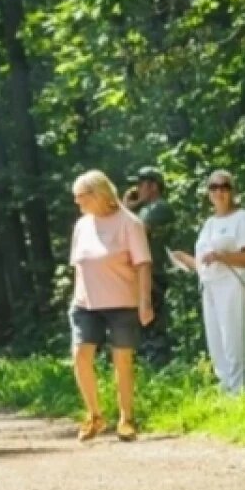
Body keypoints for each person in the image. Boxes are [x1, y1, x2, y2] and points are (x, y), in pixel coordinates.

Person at [68, 169, 155, 442]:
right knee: (80, 356)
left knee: (122, 359)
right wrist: (76, 298)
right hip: (86, 303)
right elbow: (78, 266)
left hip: (122, 302)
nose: (77, 202)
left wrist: (145, 302)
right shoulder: (82, 226)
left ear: (98, 194)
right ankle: (94, 415)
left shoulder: (129, 223)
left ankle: (126, 418)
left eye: (80, 196)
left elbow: (143, 265)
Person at [170, 170, 245, 394]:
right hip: (209, 286)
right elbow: (204, 263)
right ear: (208, 192)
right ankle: (225, 390)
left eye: (224, 187)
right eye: (214, 187)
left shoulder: (242, 217)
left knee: (233, 341)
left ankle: (239, 393)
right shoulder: (209, 223)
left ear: (233, 191)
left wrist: (222, 256)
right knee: (216, 343)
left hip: (232, 285)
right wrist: (184, 259)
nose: (219, 191)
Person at [126, 166, 177, 367]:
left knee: (153, 325)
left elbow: (136, 232)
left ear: (153, 186)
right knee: (140, 328)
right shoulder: (143, 210)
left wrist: (126, 208)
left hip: (154, 275)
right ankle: (146, 368)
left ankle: (159, 368)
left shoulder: (159, 208)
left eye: (141, 184)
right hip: (142, 275)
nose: (137, 189)